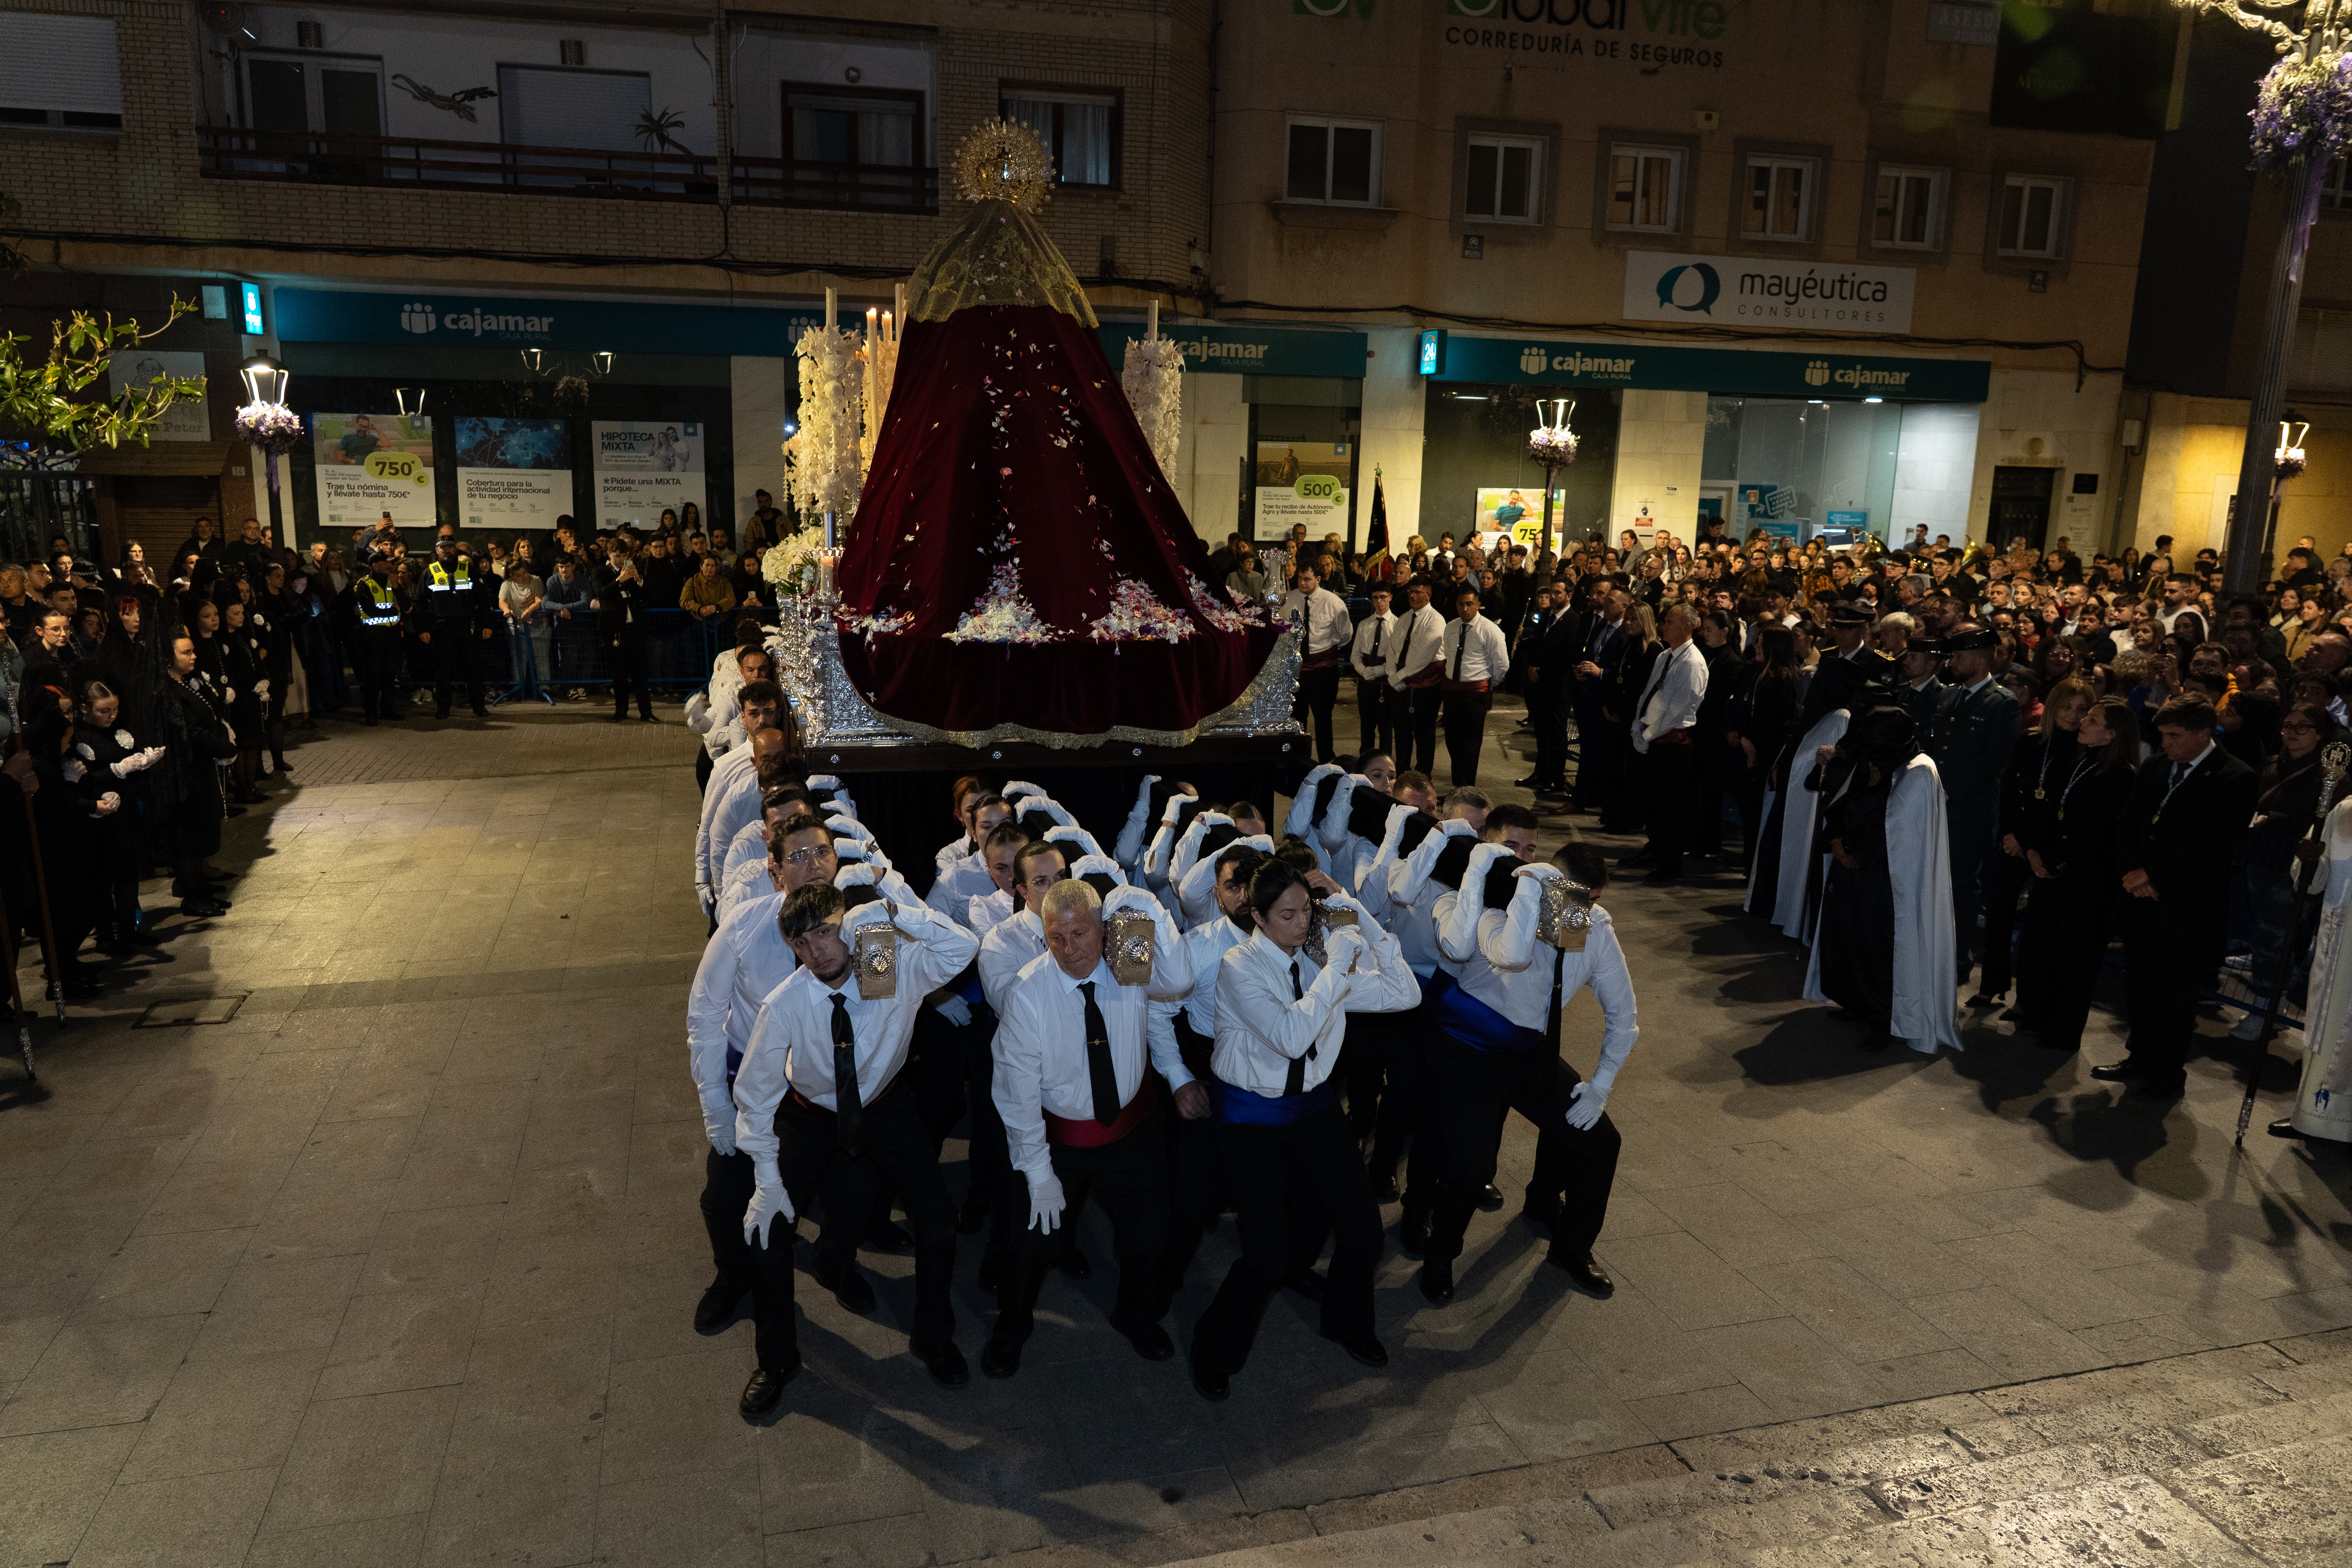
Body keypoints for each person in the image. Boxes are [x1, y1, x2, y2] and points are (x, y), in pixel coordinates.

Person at [730, 882, 980, 1411]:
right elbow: (754, 1095)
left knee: (937, 1222)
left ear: (848, 926)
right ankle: (777, 1360)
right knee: (768, 1236)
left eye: (826, 931)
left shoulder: (888, 965)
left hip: (887, 1105)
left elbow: (963, 948)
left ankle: (933, 1338)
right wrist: (766, 1182)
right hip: (811, 1115)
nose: (817, 949)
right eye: (802, 942)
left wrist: (895, 913)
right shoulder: (788, 1002)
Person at [1187, 857, 1419, 1401]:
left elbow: (1404, 993)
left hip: (1311, 1108)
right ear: (1259, 919)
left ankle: (1347, 1323)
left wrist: (1362, 918)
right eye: (1287, 915)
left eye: (1307, 913)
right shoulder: (1239, 967)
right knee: (1265, 1253)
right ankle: (1213, 1347)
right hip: (1251, 1117)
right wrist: (1338, 968)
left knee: (1362, 1226)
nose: (1301, 924)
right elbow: (1291, 1036)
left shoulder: (1317, 962)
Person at [982, 877, 1193, 1376]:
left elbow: (1180, 979)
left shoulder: (1131, 965)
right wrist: (1038, 1172)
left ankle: (1135, 1316)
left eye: (1079, 935)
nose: (1068, 949)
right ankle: (1012, 1328)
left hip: (1132, 1133)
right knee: (1028, 1245)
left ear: (1103, 931)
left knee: (1151, 1239)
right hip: (1057, 1140)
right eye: (1056, 936)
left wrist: (1151, 907)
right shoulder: (1029, 992)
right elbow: (1017, 1092)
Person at [1422, 832, 1629, 1302]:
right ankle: (1441, 1254)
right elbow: (1511, 955)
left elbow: (1624, 1014)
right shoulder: (1496, 905)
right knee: (1470, 1170)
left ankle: (1571, 1249)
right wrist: (1526, 890)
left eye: (1591, 901)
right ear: (1548, 885)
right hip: (1467, 1052)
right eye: (1573, 898)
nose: (1582, 911)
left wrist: (1601, 1085)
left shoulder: (1593, 926)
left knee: (1600, 1143)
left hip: (1527, 1054)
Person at [682, 812, 843, 1339]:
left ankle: (838, 1264)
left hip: (828, 1092)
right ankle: (734, 1278)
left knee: (854, 1189)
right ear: (776, 874)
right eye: (796, 857)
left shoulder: (871, 926)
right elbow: (705, 1019)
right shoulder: (745, 926)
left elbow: (882, 1012)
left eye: (821, 851)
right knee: (722, 1198)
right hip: (758, 1089)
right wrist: (717, 1110)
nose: (812, 865)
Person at [2091, 695, 2260, 1102]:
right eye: (2163, 735)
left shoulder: (2235, 776)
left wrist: (2152, 874)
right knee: (2140, 985)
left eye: (2175, 736)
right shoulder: (2156, 767)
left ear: (2204, 734)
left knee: (2175, 995)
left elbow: (2215, 845)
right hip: (2140, 898)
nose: (2166, 743)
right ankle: (2139, 1058)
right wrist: (2131, 872)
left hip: (2188, 906)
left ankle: (2166, 1075)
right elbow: (2128, 823)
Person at [1802, 684, 1960, 1054]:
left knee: (1879, 947)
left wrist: (1855, 849)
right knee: (1847, 938)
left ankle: (1883, 1018)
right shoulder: (1874, 755)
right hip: (1852, 863)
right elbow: (1844, 798)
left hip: (1886, 879)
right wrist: (1838, 840)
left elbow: (1900, 829)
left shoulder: (1920, 772)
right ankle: (1856, 1003)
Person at [2012, 695, 2138, 1053]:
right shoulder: (2084, 761)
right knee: (2044, 948)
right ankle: (2037, 1015)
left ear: (2112, 734)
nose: (2083, 722)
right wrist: (2036, 850)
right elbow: (2054, 810)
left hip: (2087, 883)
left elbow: (2098, 833)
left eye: (2094, 720)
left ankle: (2063, 1032)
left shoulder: (2121, 776)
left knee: (2076, 960)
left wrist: (2055, 860)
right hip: (2053, 871)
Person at [1976, 677, 2092, 1009]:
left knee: (2037, 931)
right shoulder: (2030, 740)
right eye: (2067, 707)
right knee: (1998, 914)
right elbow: (2010, 789)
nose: (2073, 715)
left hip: (2048, 847)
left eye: (2083, 709)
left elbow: (2063, 806)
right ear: (2054, 706)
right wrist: (2011, 835)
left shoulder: (2087, 750)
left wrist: (2027, 842)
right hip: (2015, 839)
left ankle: (2025, 1001)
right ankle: (1991, 985)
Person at [1923, 625, 2022, 984]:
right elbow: (1935, 748)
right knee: (1934, 880)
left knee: (1962, 885)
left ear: (1981, 660)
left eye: (1959, 657)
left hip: (1970, 810)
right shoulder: (1949, 697)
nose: (1952, 662)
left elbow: (1994, 762)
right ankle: (1931, 945)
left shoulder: (2002, 703)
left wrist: (1948, 790)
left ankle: (1958, 957)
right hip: (1936, 804)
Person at [1624, 604, 1707, 881]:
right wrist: (1638, 724)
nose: (1664, 626)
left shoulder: (1693, 662)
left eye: (1670, 621)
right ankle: (1656, 850)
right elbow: (1648, 693)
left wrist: (1647, 735)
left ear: (1688, 626)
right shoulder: (1665, 656)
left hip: (1672, 744)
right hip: (1654, 739)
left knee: (1671, 807)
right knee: (1652, 802)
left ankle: (1670, 864)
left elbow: (1678, 711)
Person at [1437, 587, 1510, 787]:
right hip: (1452, 691)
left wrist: (1487, 684)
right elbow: (1449, 658)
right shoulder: (1451, 627)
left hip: (1475, 693)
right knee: (1452, 740)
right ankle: (1457, 787)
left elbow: (1502, 664)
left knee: (1470, 744)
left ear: (1478, 605)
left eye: (1470, 604)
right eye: (1461, 604)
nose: (1465, 608)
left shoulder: (1490, 629)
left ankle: (1466, 789)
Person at [414, 535, 492, 719]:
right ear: (437, 551)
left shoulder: (468, 570)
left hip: (466, 627)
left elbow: (483, 599)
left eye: (451, 548)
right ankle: (443, 708)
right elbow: (419, 602)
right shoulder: (429, 572)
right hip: (442, 628)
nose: (447, 551)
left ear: (455, 550)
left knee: (473, 669)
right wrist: (423, 628)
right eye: (444, 548)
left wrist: (487, 624)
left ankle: (478, 706)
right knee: (443, 671)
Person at [1285, 564, 1352, 763]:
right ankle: (1298, 759)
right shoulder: (1289, 599)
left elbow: (1346, 634)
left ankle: (1326, 761)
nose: (1303, 583)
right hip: (1296, 669)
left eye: (1307, 579)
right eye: (1300, 579)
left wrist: (1325, 650)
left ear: (1318, 579)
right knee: (1297, 717)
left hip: (1323, 670)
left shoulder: (1333, 602)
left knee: (1323, 718)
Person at [1390, 577, 1448, 778]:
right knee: (1402, 729)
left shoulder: (1436, 620)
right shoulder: (1405, 618)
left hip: (1427, 683)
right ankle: (1402, 770)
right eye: (1410, 592)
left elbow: (1424, 657)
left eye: (1417, 592)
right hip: (1403, 681)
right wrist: (1392, 674)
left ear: (1428, 596)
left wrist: (1397, 676)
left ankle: (1423, 774)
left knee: (1423, 731)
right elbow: (1393, 650)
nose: (1412, 596)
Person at [599, 539, 656, 723]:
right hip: (615, 632)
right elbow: (601, 593)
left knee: (641, 674)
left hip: (635, 630)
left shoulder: (631, 572)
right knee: (619, 674)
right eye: (618, 556)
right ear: (609, 554)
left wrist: (638, 581)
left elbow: (647, 594)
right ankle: (621, 712)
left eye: (625, 556)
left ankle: (646, 712)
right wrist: (619, 580)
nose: (622, 560)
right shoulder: (601, 572)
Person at [1349, 583, 1400, 757]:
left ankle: (1385, 761)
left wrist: (1379, 671)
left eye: (1383, 597)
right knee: (1366, 725)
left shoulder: (1397, 625)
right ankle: (1366, 760)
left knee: (1386, 726)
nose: (1379, 602)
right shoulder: (1365, 624)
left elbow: (1398, 659)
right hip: (1366, 682)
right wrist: (1363, 671)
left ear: (1390, 598)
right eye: (1375, 598)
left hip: (1385, 683)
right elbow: (1355, 654)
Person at [499, 558, 552, 704]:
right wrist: (506, 609)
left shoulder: (535, 580)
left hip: (539, 626)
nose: (523, 578)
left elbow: (539, 600)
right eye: (518, 576)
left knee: (542, 659)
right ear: (511, 575)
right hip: (517, 628)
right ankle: (519, 687)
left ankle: (544, 688)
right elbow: (502, 601)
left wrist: (530, 610)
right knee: (519, 660)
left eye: (524, 573)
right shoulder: (507, 584)